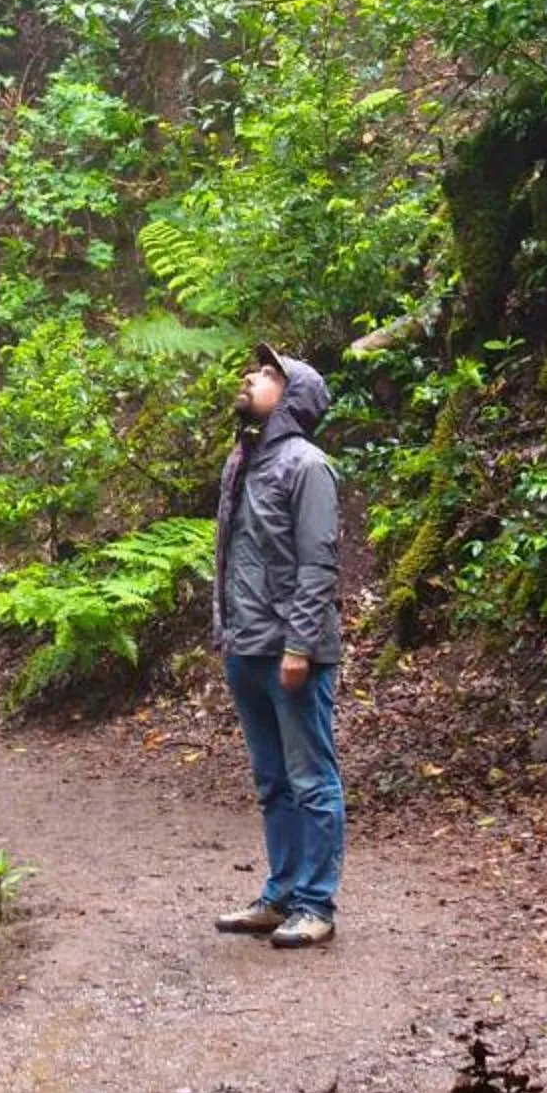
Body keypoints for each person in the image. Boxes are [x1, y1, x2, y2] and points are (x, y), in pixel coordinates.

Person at [210, 345, 345, 949]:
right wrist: (228, 635)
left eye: (267, 375)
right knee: (272, 781)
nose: (251, 377)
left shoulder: (307, 466)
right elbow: (232, 558)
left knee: (311, 779)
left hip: (293, 651)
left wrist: (300, 646)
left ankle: (316, 905)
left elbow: (319, 564)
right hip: (245, 645)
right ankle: (281, 894)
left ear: (293, 398)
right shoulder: (240, 461)